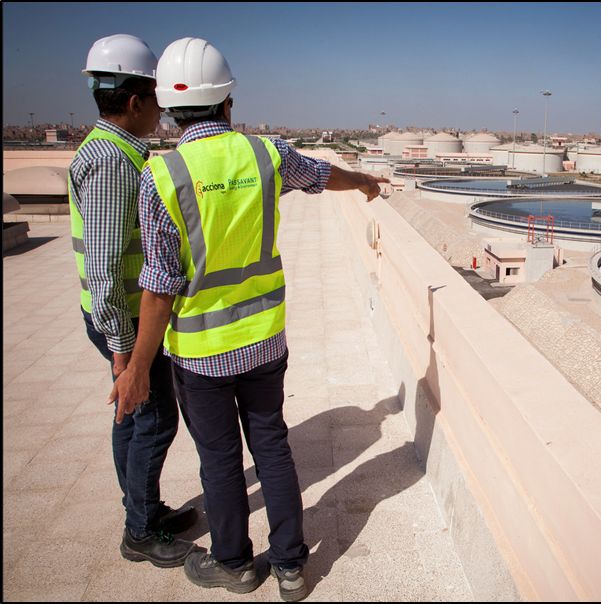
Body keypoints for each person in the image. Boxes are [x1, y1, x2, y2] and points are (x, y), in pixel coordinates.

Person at [108, 37, 387, 600]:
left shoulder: (161, 177)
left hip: (201, 354)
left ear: (167, 107)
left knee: (220, 459)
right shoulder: (266, 154)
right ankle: (289, 566)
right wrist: (362, 181)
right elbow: (320, 175)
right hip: (263, 342)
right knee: (273, 446)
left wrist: (136, 366)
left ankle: (234, 563)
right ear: (228, 101)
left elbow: (158, 289)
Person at [69, 33, 198, 568]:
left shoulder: (115, 151)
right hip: (121, 318)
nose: (161, 112)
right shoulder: (112, 164)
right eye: (155, 99)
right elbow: (103, 266)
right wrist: (127, 353)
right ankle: (140, 530)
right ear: (134, 101)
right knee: (152, 419)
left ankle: (143, 509)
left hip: (119, 316)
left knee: (133, 416)